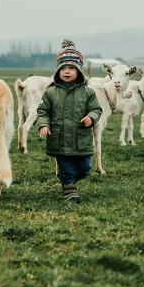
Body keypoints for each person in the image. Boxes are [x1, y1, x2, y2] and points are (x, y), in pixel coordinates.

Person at [37, 39, 102, 202]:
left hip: (81, 139)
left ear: (79, 71)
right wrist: (43, 125)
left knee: (85, 168)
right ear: (58, 71)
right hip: (60, 140)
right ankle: (70, 191)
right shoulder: (50, 93)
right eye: (63, 68)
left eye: (71, 68)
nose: (67, 71)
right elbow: (43, 111)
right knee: (66, 167)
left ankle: (69, 180)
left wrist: (91, 118)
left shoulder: (88, 92)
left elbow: (96, 109)